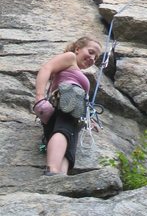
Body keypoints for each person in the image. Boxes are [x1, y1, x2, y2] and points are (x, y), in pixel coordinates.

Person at [33, 35, 102, 175]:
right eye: (90, 52)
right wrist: (39, 96)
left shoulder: (74, 69)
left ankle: (60, 177)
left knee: (69, 142)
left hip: (71, 103)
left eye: (96, 58)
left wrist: (89, 119)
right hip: (69, 97)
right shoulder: (70, 58)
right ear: (77, 49)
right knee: (64, 130)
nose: (92, 59)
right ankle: (52, 170)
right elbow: (47, 68)